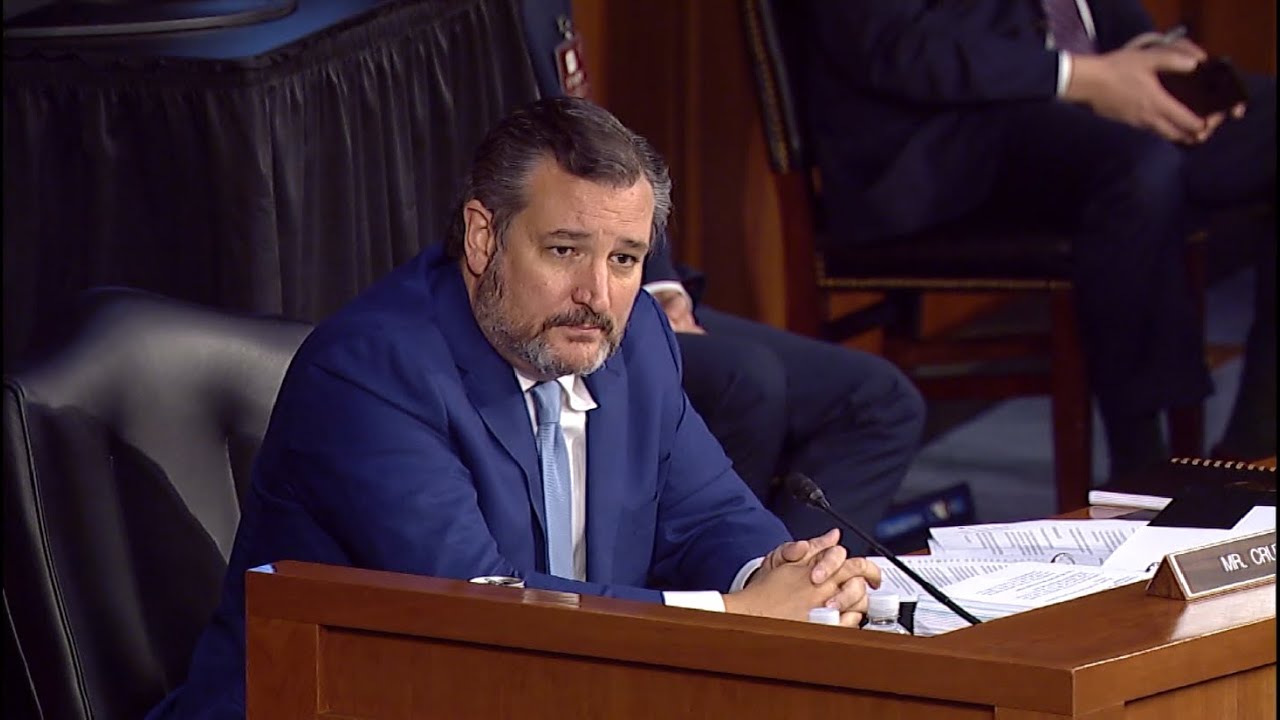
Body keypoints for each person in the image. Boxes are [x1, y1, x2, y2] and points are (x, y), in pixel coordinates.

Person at [146, 97, 883, 719]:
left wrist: (792, 577)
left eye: (625, 260)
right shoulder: (372, 375)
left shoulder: (637, 343)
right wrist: (739, 621)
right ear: (482, 236)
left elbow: (710, 514)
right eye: (565, 251)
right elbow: (485, 616)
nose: (597, 293)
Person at [518, 0, 926, 551]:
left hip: (627, 283)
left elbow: (600, 154)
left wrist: (659, 283)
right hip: (551, 300)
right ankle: (735, 593)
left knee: (879, 399)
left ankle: (799, 594)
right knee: (747, 379)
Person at [802, 0, 1275, 474]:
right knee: (1140, 169)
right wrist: (1084, 78)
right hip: (943, 133)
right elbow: (894, 45)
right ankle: (1142, 468)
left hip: (1078, 92)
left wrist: (1151, 60)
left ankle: (1256, 443)